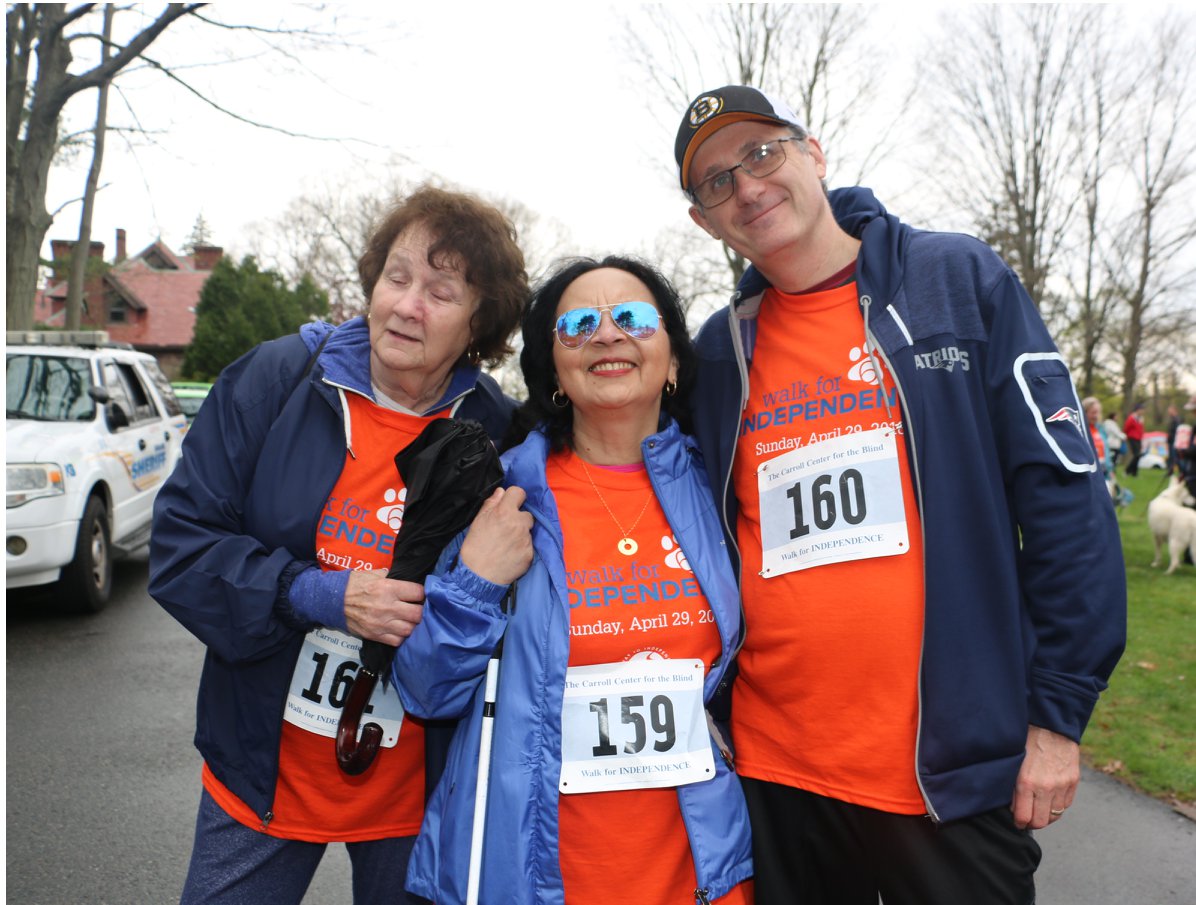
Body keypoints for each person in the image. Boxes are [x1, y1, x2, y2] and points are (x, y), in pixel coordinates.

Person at [672, 85, 1126, 905]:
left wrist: (1058, 715)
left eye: (762, 153)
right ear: (706, 222)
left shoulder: (955, 279)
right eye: (714, 181)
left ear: (812, 153)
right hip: (779, 779)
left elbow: (1065, 498)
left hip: (945, 775)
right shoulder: (717, 350)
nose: (745, 185)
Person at [148, 186, 529, 905]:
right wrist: (319, 593)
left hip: (418, 797)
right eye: (397, 276)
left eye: (441, 292)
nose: (408, 305)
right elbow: (181, 545)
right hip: (260, 771)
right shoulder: (280, 379)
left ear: (479, 323)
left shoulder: (501, 435)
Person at [393, 256, 754, 904]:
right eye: (579, 323)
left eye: (635, 318)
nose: (608, 334)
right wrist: (474, 581)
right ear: (554, 371)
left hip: (703, 872)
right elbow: (423, 689)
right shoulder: (500, 495)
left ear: (671, 359)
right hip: (535, 874)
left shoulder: (721, 487)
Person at [1083, 397, 1111, 477]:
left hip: (1104, 472)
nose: (1096, 416)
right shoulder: (1081, 431)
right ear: (1084, 412)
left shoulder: (1101, 429)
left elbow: (1106, 451)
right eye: (1093, 413)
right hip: (1089, 474)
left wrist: (1110, 470)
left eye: (1098, 412)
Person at [1123, 402, 1146, 476]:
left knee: (1138, 456)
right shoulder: (1132, 418)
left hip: (1139, 439)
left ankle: (1134, 473)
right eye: (1141, 409)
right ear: (1137, 410)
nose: (1143, 411)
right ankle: (1127, 470)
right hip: (1132, 438)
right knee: (1137, 455)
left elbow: (1141, 429)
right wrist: (1127, 435)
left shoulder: (1141, 419)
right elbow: (1126, 428)